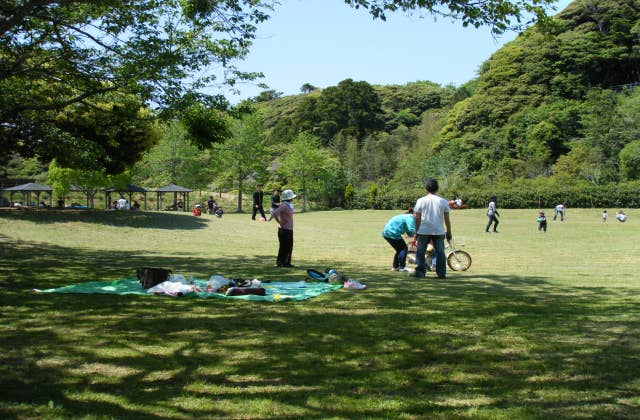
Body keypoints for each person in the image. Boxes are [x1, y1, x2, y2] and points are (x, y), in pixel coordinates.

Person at [411, 179, 452, 279]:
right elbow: (447, 219)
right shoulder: (443, 201)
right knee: (440, 252)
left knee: (420, 252)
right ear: (437, 188)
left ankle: (420, 272)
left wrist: (416, 232)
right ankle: (441, 273)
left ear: (426, 188)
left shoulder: (420, 201)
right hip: (438, 231)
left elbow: (417, 218)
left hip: (424, 230)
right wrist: (449, 232)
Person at [272, 189, 296, 268]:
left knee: (289, 246)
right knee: (283, 247)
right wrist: (279, 222)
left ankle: (287, 263)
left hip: (289, 229)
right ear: (289, 198)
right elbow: (274, 213)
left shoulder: (288, 205)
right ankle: (280, 263)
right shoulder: (284, 205)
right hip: (283, 229)